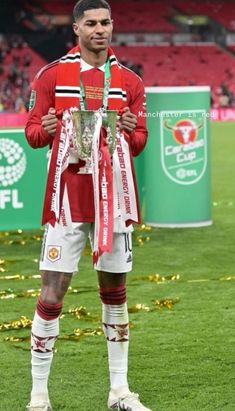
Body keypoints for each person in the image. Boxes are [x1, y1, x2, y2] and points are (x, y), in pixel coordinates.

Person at [25, 1, 150, 410]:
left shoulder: (129, 81)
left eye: (106, 22)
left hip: (113, 200)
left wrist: (132, 131)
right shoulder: (51, 75)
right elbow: (32, 132)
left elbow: (139, 140)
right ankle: (39, 396)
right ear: (76, 27)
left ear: (113, 26)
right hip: (67, 200)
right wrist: (42, 129)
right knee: (52, 293)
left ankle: (119, 391)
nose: (100, 29)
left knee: (115, 293)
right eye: (91, 23)